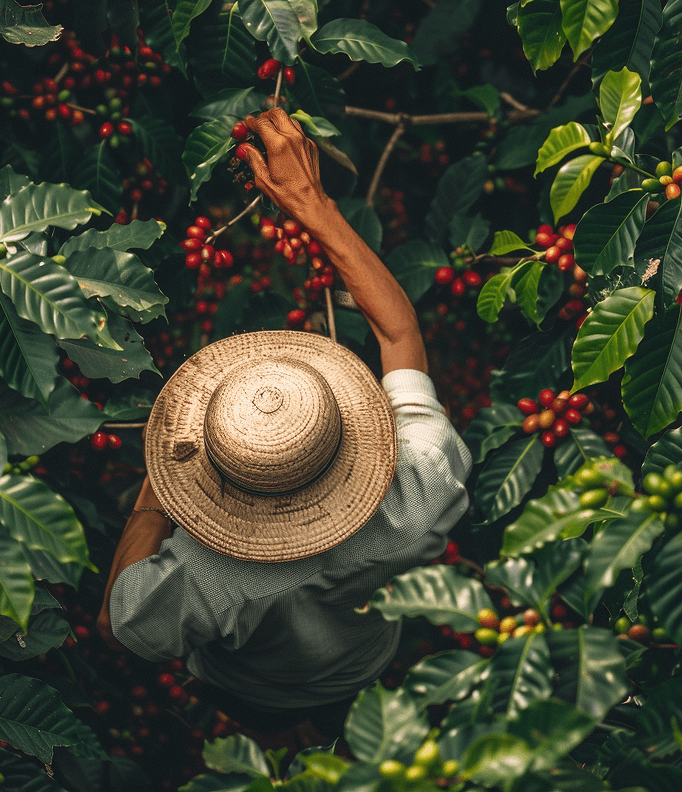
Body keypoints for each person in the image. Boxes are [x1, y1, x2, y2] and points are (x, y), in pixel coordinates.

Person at [97, 108, 472, 754]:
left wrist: (160, 484)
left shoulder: (201, 575)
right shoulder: (422, 489)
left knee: (267, 749)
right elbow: (398, 334)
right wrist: (313, 204)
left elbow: (114, 623)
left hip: (251, 690)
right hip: (363, 668)